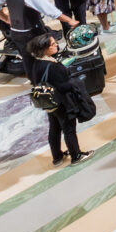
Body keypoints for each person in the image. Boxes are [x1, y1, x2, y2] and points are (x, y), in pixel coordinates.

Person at [28, 33, 95, 165]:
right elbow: (63, 87)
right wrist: (76, 81)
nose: (57, 45)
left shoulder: (36, 63)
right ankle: (76, 155)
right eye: (53, 44)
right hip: (62, 103)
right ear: (44, 49)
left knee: (54, 128)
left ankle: (57, 157)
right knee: (69, 129)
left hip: (49, 102)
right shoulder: (52, 66)